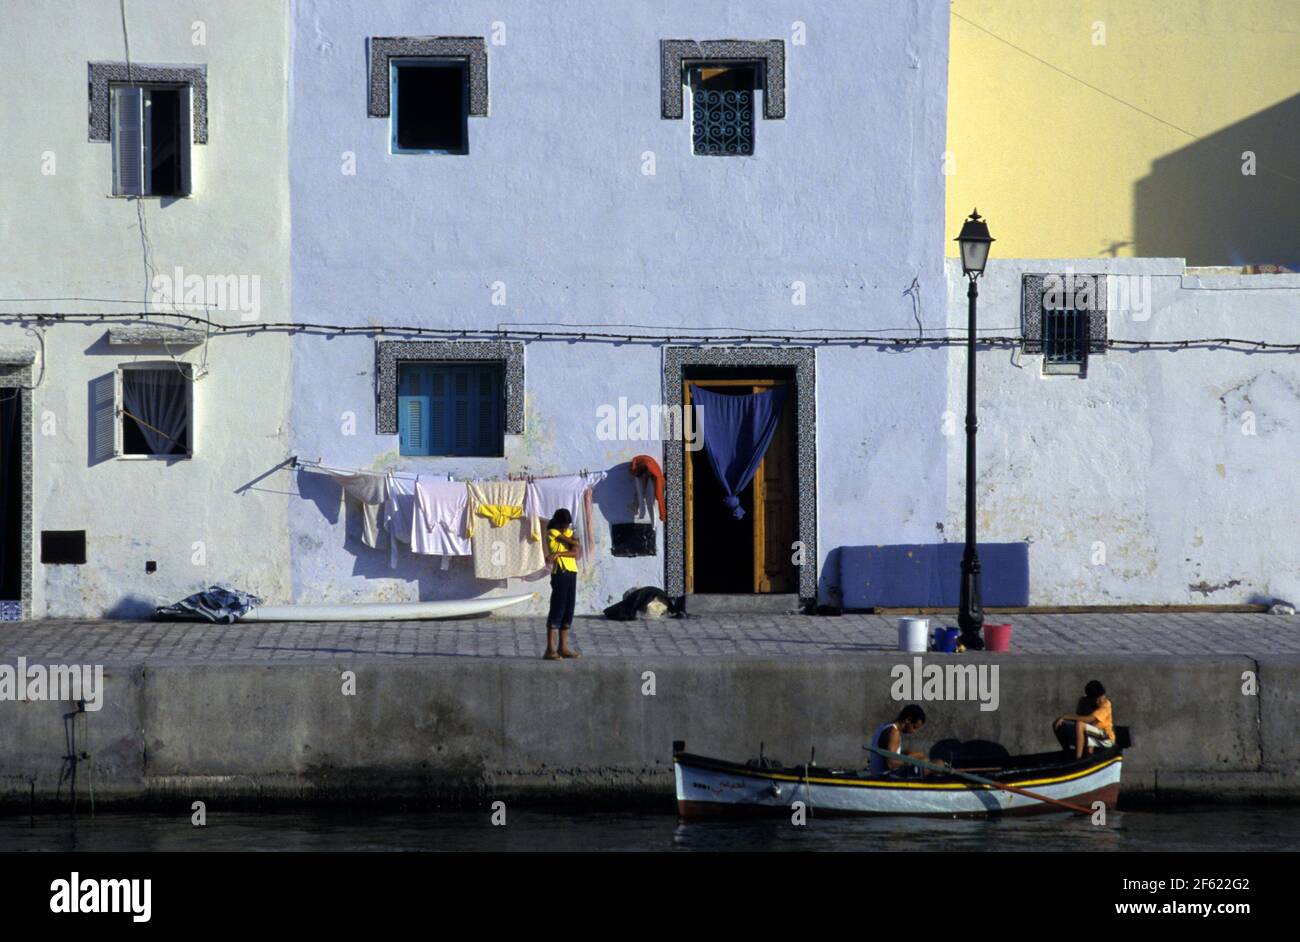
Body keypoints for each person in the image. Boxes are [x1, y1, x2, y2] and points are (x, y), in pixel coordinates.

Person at [542, 508, 581, 660]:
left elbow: (575, 552)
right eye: (563, 525)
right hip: (560, 572)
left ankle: (563, 647)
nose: (566, 528)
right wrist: (573, 540)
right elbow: (574, 544)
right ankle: (550, 649)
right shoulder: (552, 532)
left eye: (567, 526)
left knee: (568, 609)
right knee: (558, 607)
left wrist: (558, 553)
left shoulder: (566, 533)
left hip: (572, 571)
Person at [1053, 680, 1115, 758]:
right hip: (1090, 734)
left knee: (1080, 724)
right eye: (1097, 699)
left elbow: (1090, 719)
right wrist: (1062, 720)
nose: (1101, 701)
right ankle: (1067, 752)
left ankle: (1078, 758)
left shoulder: (1106, 704)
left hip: (1106, 738)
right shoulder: (1083, 702)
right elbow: (1081, 718)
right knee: (1058, 724)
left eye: (1102, 697)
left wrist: (1065, 717)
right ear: (1090, 699)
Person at [868, 705, 933, 775]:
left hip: (877, 774)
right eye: (914, 727)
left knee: (919, 755)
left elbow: (888, 754)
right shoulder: (894, 733)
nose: (914, 732)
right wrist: (912, 758)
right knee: (934, 765)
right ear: (908, 720)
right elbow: (891, 764)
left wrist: (911, 754)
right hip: (886, 777)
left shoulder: (883, 727)